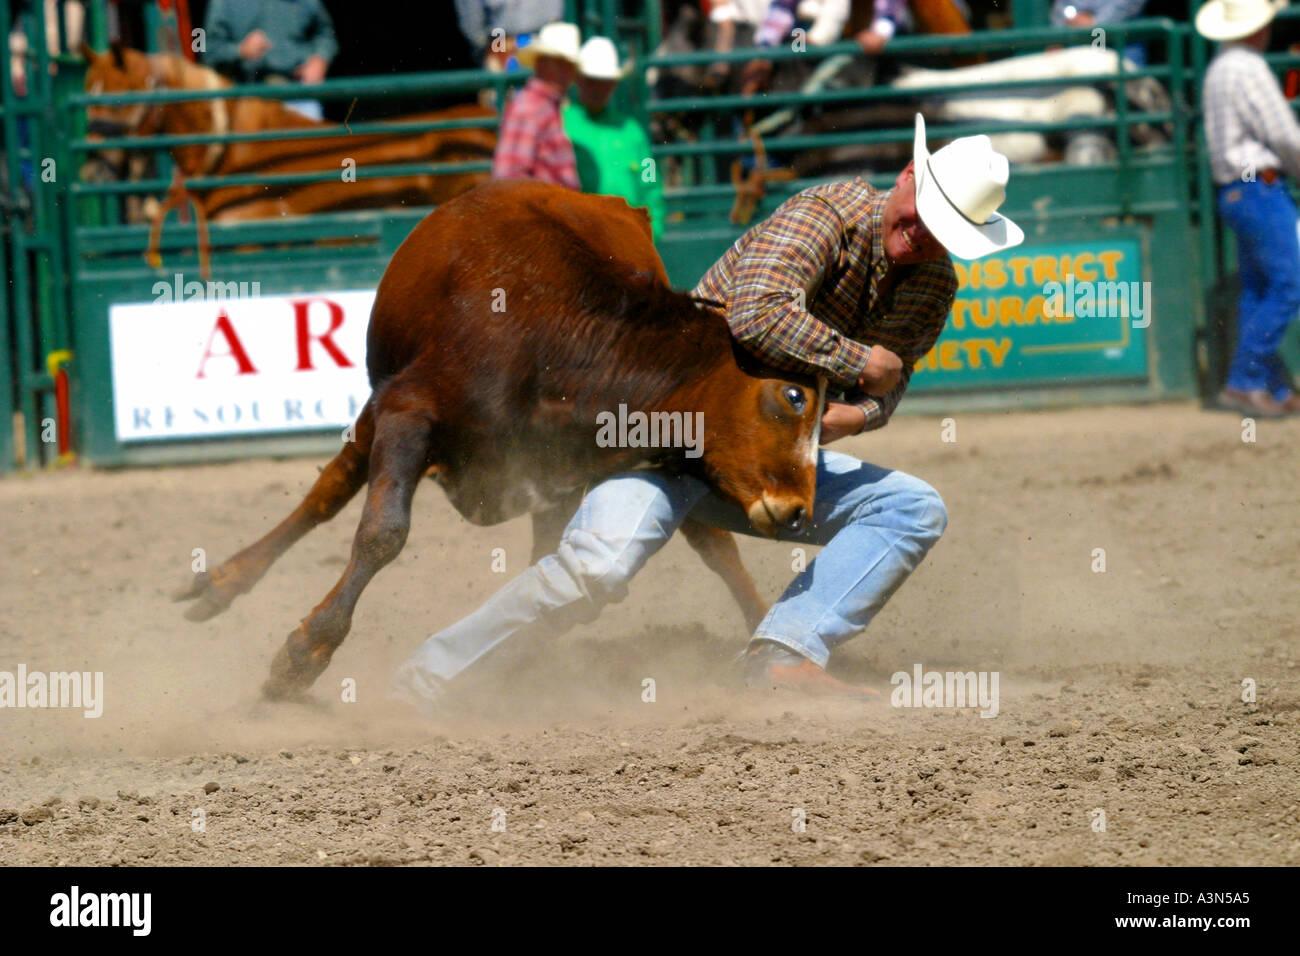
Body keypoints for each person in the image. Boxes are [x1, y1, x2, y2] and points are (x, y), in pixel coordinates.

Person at [391, 113, 1024, 709]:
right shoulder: (825, 214)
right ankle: (427, 681)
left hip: (769, 457)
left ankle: (786, 651)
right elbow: (758, 311)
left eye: (942, 234)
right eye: (921, 216)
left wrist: (852, 419)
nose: (920, 237)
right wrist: (859, 365)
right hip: (672, 433)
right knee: (597, 570)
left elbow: (890, 387)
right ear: (907, 177)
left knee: (912, 508)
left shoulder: (934, 282)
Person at [1199, 0, 1300, 417]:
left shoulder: (1219, 68)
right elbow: (1280, 131)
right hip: (1259, 186)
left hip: (1235, 191)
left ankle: (1274, 389)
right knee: (1291, 282)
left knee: (1259, 290)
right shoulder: (1250, 68)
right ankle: (1244, 381)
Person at [562, 37, 665, 240]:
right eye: (592, 80)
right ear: (579, 80)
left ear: (614, 84)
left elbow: (650, 182)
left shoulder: (632, 131)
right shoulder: (561, 124)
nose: (599, 88)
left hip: (627, 237)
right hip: (580, 237)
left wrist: (655, 229)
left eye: (605, 82)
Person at [203, 0, 337, 120]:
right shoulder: (223, 3)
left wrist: (320, 59)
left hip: (297, 94)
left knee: (311, 143)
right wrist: (240, 50)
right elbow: (209, 51)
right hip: (247, 98)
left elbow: (325, 34)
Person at [491, 21, 581, 189]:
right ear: (541, 63)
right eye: (560, 64)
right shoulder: (530, 107)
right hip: (543, 210)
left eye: (570, 66)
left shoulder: (545, 106)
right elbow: (509, 178)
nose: (566, 73)